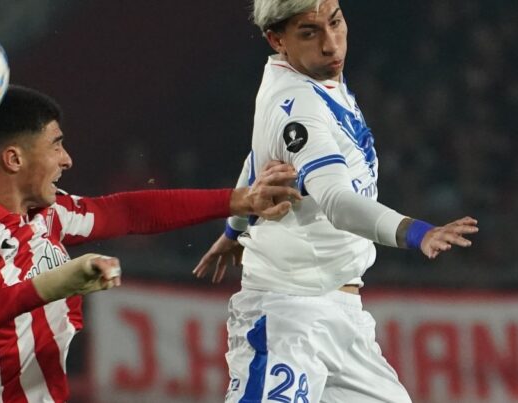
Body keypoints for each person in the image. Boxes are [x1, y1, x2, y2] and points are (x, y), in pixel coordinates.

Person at [0, 85, 300, 403]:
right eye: (56, 145)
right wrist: (54, 284)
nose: (67, 159)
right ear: (13, 159)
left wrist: (239, 200)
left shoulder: (47, 212)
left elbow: (127, 212)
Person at [193, 1, 479, 402]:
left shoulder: (306, 77)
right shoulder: (299, 105)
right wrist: (416, 232)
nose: (332, 45)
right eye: (309, 33)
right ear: (277, 40)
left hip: (343, 316)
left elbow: (259, 161)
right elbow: (336, 202)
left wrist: (234, 229)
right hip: (289, 315)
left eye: (336, 23)